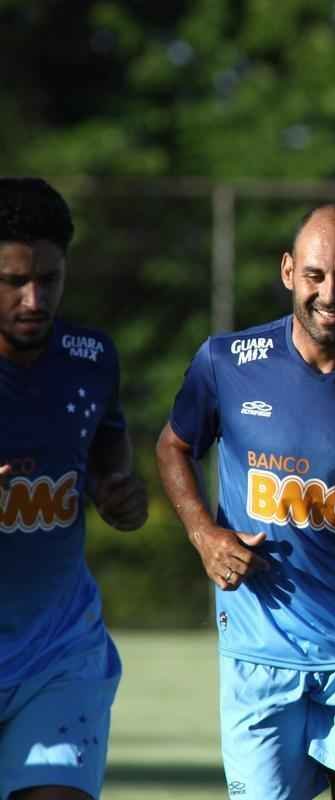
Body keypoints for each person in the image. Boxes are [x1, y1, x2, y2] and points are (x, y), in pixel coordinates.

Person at [155, 204, 335, 800]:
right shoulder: (225, 362)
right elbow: (173, 446)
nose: (330, 293)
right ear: (289, 271)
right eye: (316, 275)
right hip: (260, 648)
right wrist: (204, 533)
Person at [0, 178, 149, 800]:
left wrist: (119, 489)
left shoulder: (91, 358)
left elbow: (107, 443)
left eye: (49, 280)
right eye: (12, 282)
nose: (35, 299)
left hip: (57, 652)